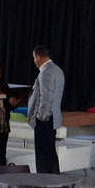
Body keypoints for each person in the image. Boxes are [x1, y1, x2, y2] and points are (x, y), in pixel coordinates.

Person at [28, 45, 65, 175]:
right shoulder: (57, 70)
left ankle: (44, 185)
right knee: (50, 153)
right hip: (53, 118)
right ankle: (54, 184)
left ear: (38, 56)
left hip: (45, 119)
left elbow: (46, 97)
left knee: (43, 157)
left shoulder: (46, 72)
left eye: (34, 58)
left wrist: (40, 117)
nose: (34, 61)